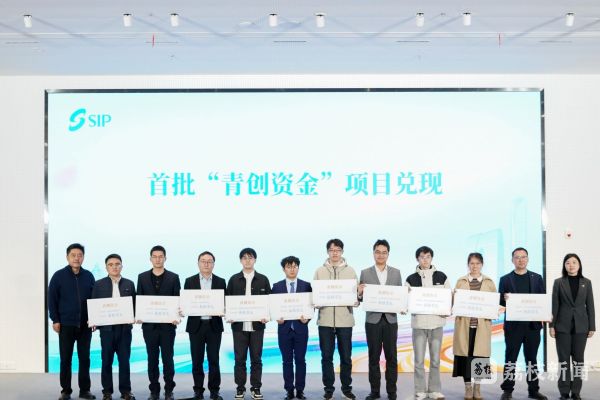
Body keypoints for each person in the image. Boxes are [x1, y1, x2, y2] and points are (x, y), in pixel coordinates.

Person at [48, 243, 96, 400]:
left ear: (83, 257)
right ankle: (66, 391)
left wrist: (94, 318)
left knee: (85, 359)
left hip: (85, 325)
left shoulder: (89, 276)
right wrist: (55, 319)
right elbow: (51, 299)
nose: (77, 258)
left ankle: (85, 390)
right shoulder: (58, 276)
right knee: (65, 359)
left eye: (80, 255)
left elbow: (94, 300)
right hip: (66, 324)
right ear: (67, 257)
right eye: (73, 255)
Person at [498, 247, 547, 400]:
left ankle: (533, 390)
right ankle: (507, 390)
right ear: (512, 260)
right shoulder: (505, 279)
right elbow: (500, 303)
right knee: (510, 359)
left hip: (532, 326)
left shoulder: (537, 278)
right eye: (517, 257)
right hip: (513, 326)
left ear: (528, 259)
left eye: (523, 257)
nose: (520, 260)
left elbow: (542, 300)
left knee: (532, 359)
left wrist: (546, 315)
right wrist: (504, 299)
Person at [314, 238, 359, 400]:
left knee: (346, 357)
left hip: (345, 321)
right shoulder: (319, 271)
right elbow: (315, 296)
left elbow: (356, 297)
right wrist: (316, 302)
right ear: (328, 252)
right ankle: (328, 389)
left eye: (338, 250)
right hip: (325, 321)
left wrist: (356, 299)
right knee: (326, 357)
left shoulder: (351, 271)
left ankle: (346, 389)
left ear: (342, 252)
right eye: (332, 250)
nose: (335, 253)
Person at [358, 239, 402, 400]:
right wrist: (359, 292)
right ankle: (375, 391)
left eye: (384, 252)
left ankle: (392, 391)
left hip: (390, 320)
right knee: (373, 357)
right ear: (373, 253)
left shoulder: (396, 273)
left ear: (388, 254)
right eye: (378, 252)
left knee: (392, 357)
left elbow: (399, 296)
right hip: (372, 321)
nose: (381, 255)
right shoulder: (365, 272)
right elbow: (361, 298)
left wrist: (403, 303)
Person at [452, 253, 500, 400]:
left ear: (482, 264)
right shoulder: (461, 281)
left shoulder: (489, 282)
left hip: (482, 327)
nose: (474, 266)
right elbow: (454, 303)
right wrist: (453, 296)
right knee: (465, 358)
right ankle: (468, 387)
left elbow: (494, 305)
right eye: (472, 263)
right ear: (468, 264)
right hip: (464, 327)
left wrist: (496, 309)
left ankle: (477, 388)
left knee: (480, 356)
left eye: (477, 263)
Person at [405, 246, 450, 400]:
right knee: (418, 360)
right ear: (417, 259)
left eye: (428, 256)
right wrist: (406, 299)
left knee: (435, 359)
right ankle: (420, 390)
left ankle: (434, 390)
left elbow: (448, 298)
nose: (425, 260)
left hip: (437, 324)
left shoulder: (442, 277)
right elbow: (405, 302)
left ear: (432, 258)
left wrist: (448, 307)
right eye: (422, 257)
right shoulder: (410, 279)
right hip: (419, 324)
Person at [226, 248, 271, 400]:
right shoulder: (233, 279)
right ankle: (240, 388)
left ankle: (256, 387)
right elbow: (228, 300)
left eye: (250, 257)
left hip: (257, 326)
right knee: (239, 359)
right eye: (244, 258)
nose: (247, 260)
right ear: (240, 260)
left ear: (255, 260)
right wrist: (230, 314)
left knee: (256, 359)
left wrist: (267, 316)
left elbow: (269, 302)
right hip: (239, 326)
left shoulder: (263, 279)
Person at [137, 245, 181, 400]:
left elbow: (177, 300)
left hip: (168, 326)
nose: (157, 259)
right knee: (152, 359)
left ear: (165, 258)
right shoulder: (142, 277)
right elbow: (139, 299)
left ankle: (169, 389)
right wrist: (139, 314)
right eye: (154, 256)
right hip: (149, 327)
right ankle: (154, 390)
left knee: (168, 359)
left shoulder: (173, 277)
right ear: (150, 259)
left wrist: (177, 316)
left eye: (160, 256)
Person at [549, 253, 595, 400]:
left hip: (581, 326)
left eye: (574, 262)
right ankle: (564, 391)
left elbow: (590, 305)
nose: (571, 265)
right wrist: (551, 326)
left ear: (579, 265)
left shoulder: (586, 282)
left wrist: (592, 326)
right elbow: (555, 305)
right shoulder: (558, 282)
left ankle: (576, 391)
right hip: (562, 326)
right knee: (563, 360)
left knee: (578, 360)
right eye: (568, 262)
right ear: (564, 265)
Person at [91, 254, 136, 400]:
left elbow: (135, 305)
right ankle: (107, 392)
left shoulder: (129, 284)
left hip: (124, 330)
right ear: (106, 267)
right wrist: (93, 320)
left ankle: (126, 391)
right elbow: (94, 305)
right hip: (107, 330)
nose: (114, 267)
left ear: (122, 266)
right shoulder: (98, 284)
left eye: (117, 264)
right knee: (106, 361)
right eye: (111, 264)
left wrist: (136, 316)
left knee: (124, 362)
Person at [184, 251, 226, 400]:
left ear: (213, 264)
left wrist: (225, 309)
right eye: (203, 261)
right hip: (196, 326)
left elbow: (224, 302)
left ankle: (214, 391)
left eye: (209, 261)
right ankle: (198, 391)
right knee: (197, 360)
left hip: (214, 326)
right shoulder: (189, 281)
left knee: (214, 360)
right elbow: (186, 302)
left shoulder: (221, 281)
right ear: (198, 263)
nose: (206, 264)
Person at [271, 256, 313, 400]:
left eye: (295, 266)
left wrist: (307, 318)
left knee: (301, 360)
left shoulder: (306, 285)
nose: (292, 269)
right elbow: (273, 306)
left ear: (298, 268)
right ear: (284, 269)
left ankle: (300, 390)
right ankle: (289, 390)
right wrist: (276, 317)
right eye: (289, 267)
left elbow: (311, 306)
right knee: (286, 361)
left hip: (301, 329)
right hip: (284, 330)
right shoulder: (276, 287)